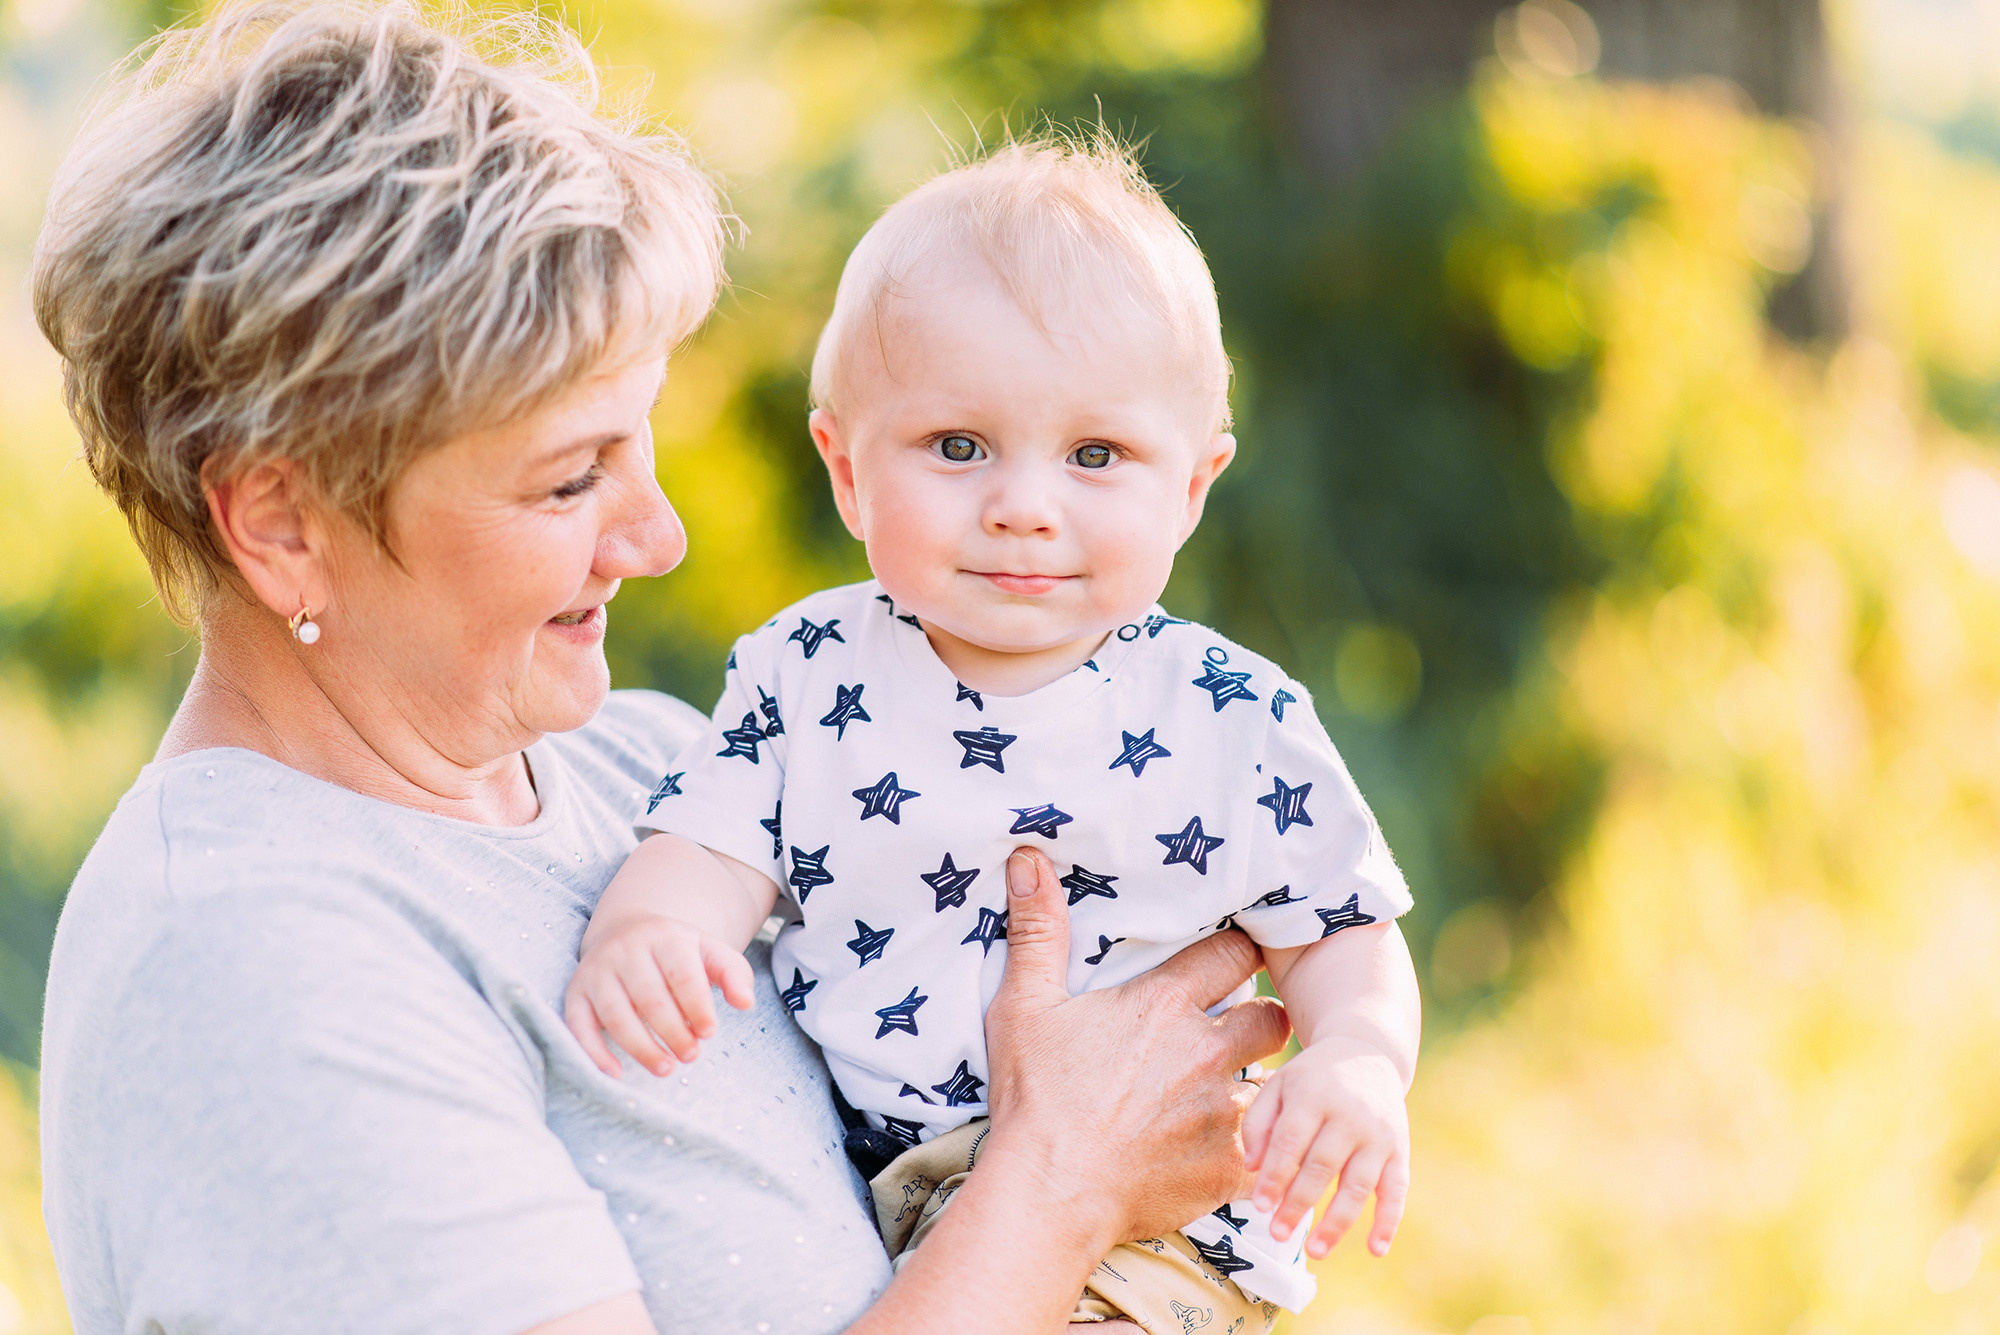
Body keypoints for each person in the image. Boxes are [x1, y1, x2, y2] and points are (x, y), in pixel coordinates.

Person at [29, 5, 1315, 1332]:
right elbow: (1047, 1170)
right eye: (570, 477)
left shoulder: (649, 769)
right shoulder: (259, 959)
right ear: (283, 524)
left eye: (637, 444)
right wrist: (1064, 1180)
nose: (658, 533)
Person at [564, 139, 1423, 1333]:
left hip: (1153, 1225)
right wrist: (653, 932)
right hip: (879, 1201)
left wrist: (1357, 1057)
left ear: (1191, 485)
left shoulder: (1233, 717)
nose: (1024, 504)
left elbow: (1341, 928)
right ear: (847, 469)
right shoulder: (807, 675)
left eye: (1094, 456)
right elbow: (710, 844)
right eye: (958, 447)